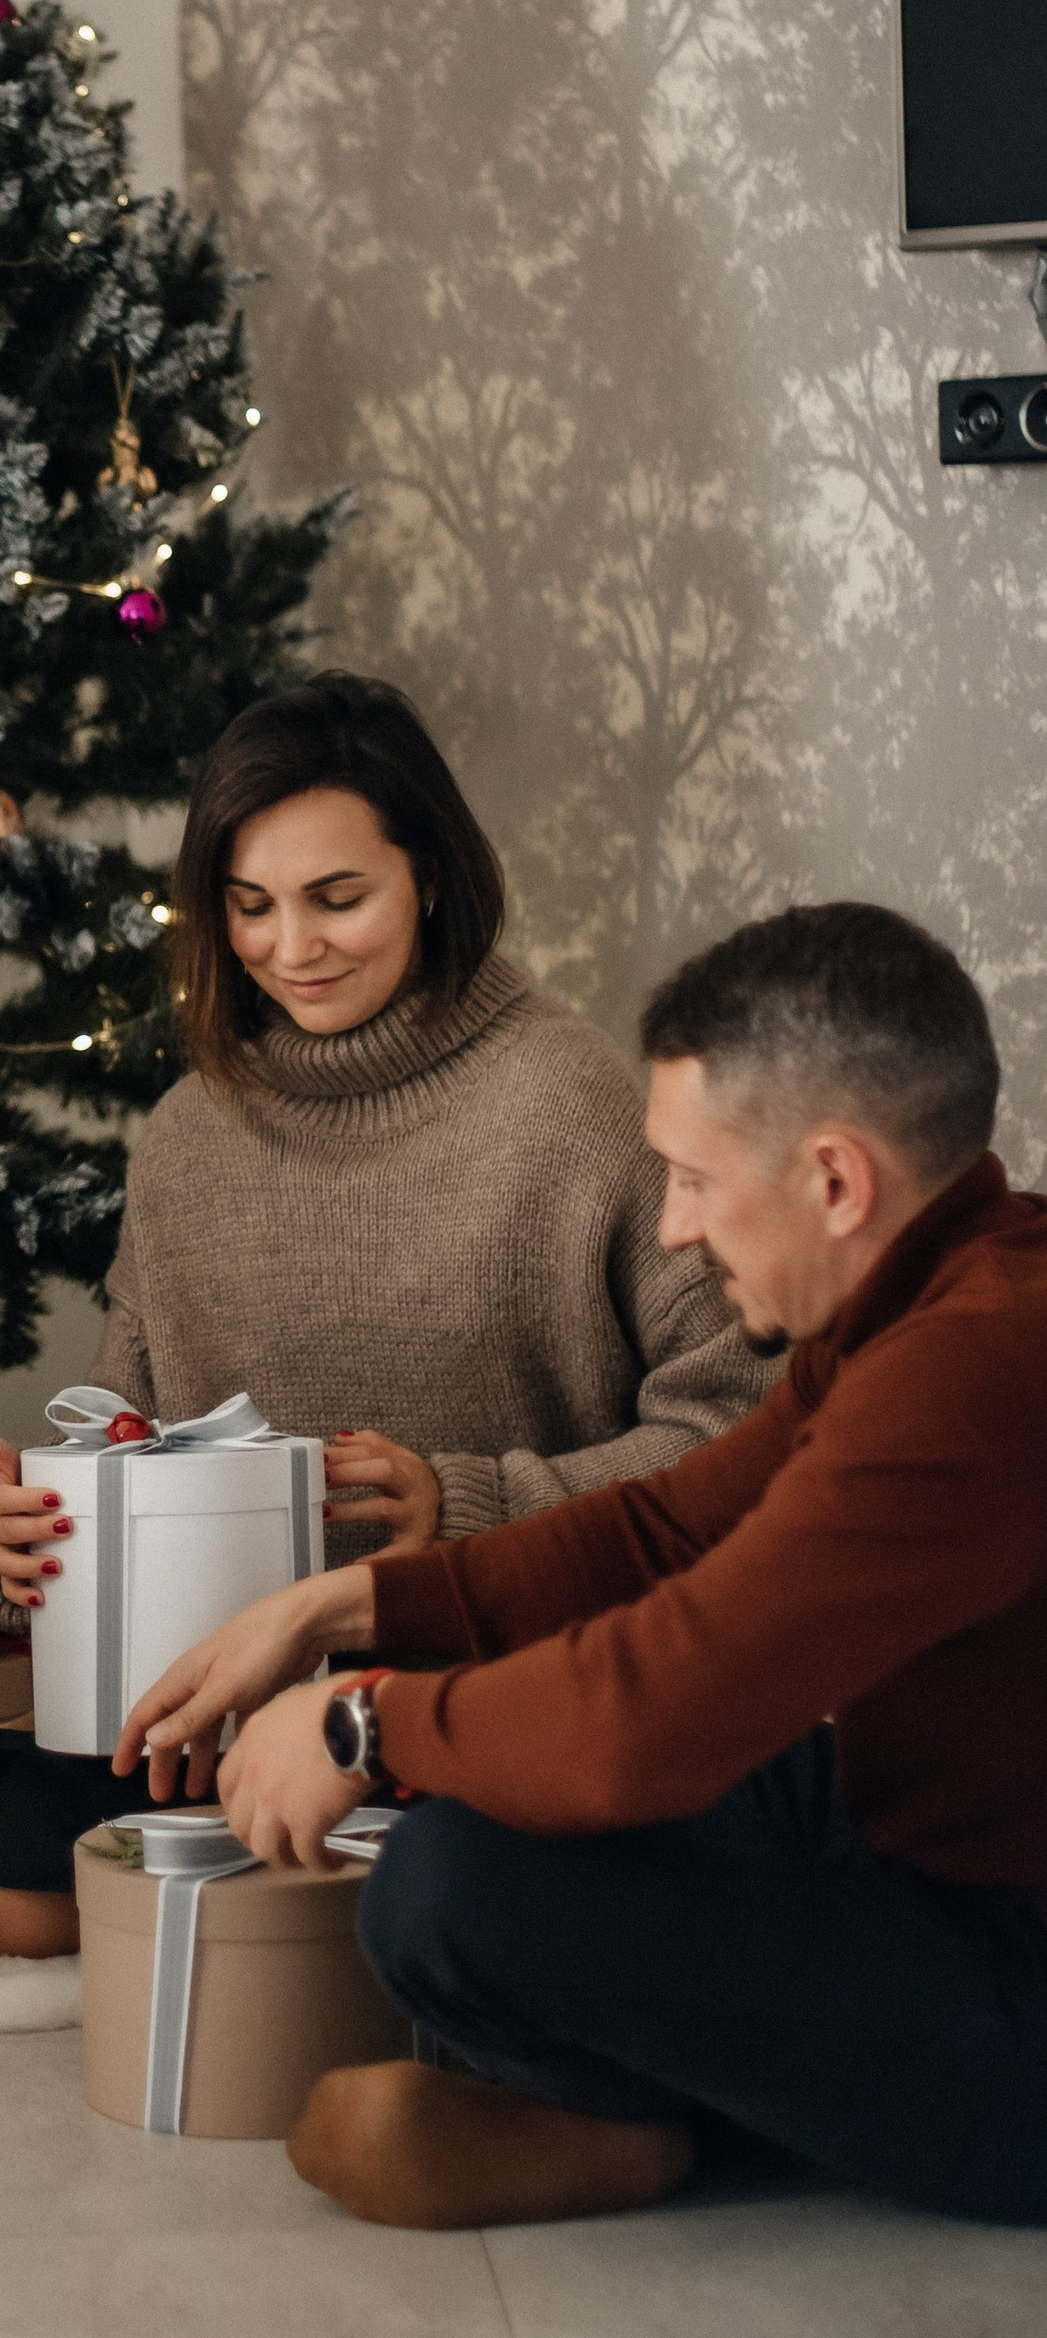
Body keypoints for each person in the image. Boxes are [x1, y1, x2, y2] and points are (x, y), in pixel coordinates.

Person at [132, 902, 1047, 2233]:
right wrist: (342, 1604)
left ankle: (650, 2125)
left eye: (693, 1177)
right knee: (495, 1803)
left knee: (450, 1889)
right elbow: (662, 1530)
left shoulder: (973, 1366)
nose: (673, 1226)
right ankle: (652, 2107)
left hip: (1013, 1962)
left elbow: (653, 1710)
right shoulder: (929, 1292)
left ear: (835, 1181)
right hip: (913, 1821)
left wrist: (359, 1722)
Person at [0, 674, 769, 1952]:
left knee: (443, 1897)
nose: (289, 948)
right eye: (249, 905)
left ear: (427, 875)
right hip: (225, 1700)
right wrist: (21, 1519)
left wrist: (471, 1507)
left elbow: (739, 1438)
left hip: (492, 1678)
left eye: (336, 897)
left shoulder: (576, 1105)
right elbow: (128, 1432)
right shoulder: (188, 1135)